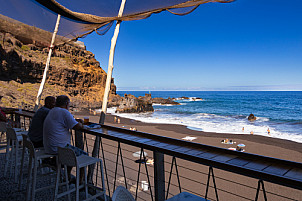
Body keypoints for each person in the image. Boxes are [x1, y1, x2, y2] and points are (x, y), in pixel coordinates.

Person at [43, 95, 84, 181]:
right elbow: (77, 127)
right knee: (83, 155)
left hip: (49, 147)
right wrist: (81, 123)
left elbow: (67, 121)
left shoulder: (52, 111)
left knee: (71, 152)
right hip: (59, 149)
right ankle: (81, 182)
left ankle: (67, 176)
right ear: (66, 104)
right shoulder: (64, 112)